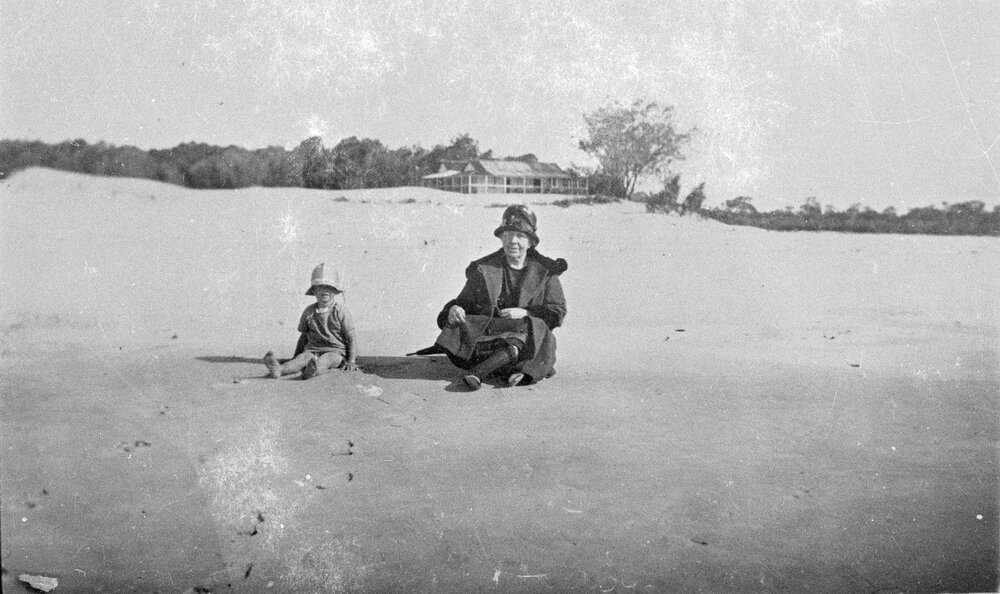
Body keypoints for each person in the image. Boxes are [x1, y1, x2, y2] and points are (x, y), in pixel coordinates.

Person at [433, 204, 567, 390]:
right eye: (507, 235)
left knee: (534, 326)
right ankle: (519, 366)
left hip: (527, 336)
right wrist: (453, 310)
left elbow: (556, 312)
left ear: (530, 242)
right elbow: (462, 303)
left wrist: (525, 312)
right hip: (490, 338)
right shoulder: (484, 270)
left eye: (520, 236)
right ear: (501, 238)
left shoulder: (546, 273)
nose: (513, 241)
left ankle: (480, 372)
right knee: (463, 326)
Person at [263, 263, 359, 379]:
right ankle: (280, 370)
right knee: (301, 359)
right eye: (320, 287)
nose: (325, 291)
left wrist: (351, 361)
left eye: (329, 287)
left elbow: (351, 338)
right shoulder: (309, 311)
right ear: (314, 291)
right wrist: (296, 356)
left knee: (326, 360)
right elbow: (303, 337)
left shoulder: (340, 311)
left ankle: (312, 371)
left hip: (336, 352)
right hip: (313, 349)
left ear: (335, 291)